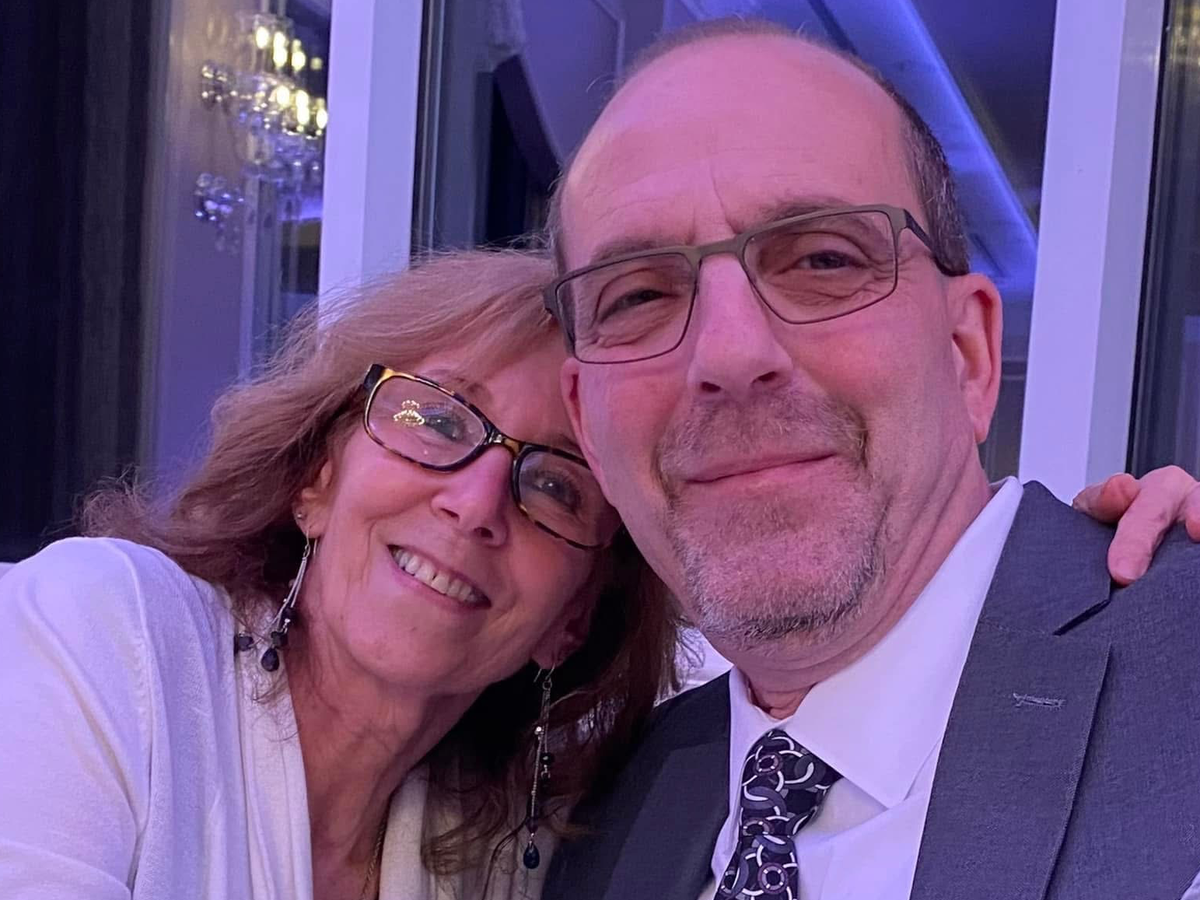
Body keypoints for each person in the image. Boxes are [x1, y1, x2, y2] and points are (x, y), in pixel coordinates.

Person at [540, 18, 1200, 900]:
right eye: (637, 297)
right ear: (586, 425)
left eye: (823, 259)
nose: (729, 354)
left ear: (968, 353)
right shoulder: (609, 811)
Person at [0, 250, 680, 900]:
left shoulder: (520, 858)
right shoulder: (103, 633)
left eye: (556, 486)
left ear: (574, 617)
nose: (476, 505)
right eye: (437, 421)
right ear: (317, 479)